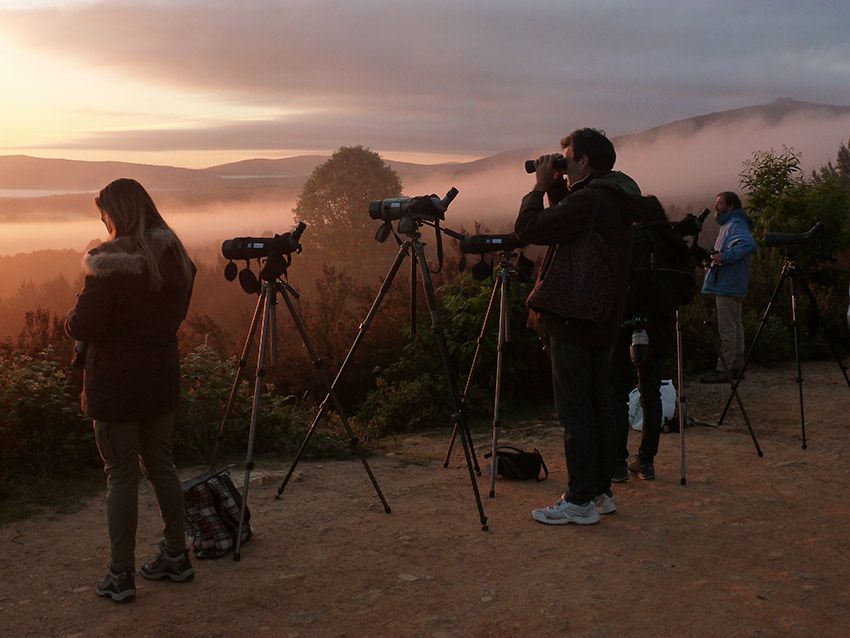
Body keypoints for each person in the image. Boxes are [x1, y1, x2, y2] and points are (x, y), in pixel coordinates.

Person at [66, 178, 196, 603]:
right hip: (160, 374)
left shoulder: (106, 262)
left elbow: (86, 326)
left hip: (116, 383)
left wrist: (71, 318)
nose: (101, 221)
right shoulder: (174, 253)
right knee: (162, 464)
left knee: (121, 476)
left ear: (115, 213)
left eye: (103, 213)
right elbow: (176, 312)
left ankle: (120, 576)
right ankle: (176, 555)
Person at [514, 128, 642, 525]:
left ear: (584, 161)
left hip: (573, 315)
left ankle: (579, 499)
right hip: (601, 317)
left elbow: (530, 229)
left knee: (576, 413)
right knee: (599, 408)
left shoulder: (591, 200)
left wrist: (537, 188)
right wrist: (558, 186)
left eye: (567, 157)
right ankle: (600, 491)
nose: (562, 163)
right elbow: (568, 226)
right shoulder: (612, 197)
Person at [609, 197, 685, 482]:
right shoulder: (672, 241)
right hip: (662, 325)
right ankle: (646, 461)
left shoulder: (629, 240)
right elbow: (687, 287)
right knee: (650, 392)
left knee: (617, 393)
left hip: (626, 322)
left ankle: (617, 463)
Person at [700, 192, 757, 383]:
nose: (716, 206)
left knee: (727, 328)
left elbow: (748, 244)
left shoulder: (735, 225)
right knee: (735, 325)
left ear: (731, 206)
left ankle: (724, 369)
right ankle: (736, 366)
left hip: (727, 283)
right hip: (732, 282)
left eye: (720, 203)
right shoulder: (731, 224)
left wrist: (724, 257)